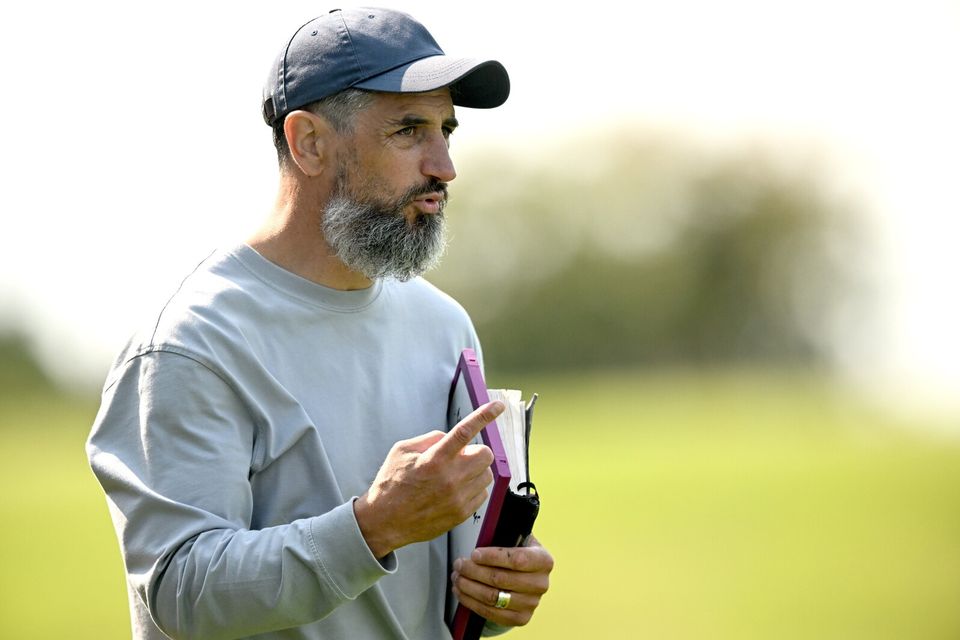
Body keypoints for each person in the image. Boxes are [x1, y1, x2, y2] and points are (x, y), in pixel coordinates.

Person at [86, 7, 554, 640]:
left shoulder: (444, 325)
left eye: (447, 129)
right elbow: (180, 591)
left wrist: (499, 587)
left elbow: (442, 591)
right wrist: (373, 526)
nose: (444, 166)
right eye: (409, 130)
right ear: (308, 142)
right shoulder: (191, 342)